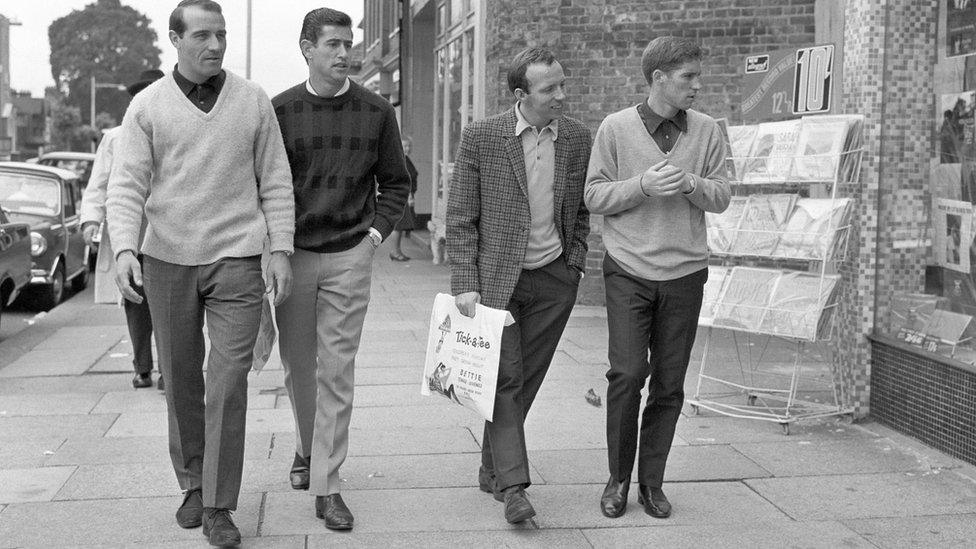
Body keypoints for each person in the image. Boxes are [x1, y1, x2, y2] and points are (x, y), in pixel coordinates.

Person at [106, 1, 295, 546]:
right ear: (175, 39)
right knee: (182, 381)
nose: (215, 45)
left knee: (228, 381)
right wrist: (124, 251)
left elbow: (276, 181)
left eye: (222, 35)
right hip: (166, 259)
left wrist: (279, 249)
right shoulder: (147, 108)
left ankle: (217, 504)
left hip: (237, 257)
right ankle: (192, 482)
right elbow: (126, 187)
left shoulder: (252, 100)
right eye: (203, 35)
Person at [271, 7, 410, 531]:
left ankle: (328, 485)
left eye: (347, 43)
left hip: (350, 255)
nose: (344, 53)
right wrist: (275, 248)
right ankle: (308, 446)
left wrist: (374, 238)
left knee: (336, 370)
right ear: (306, 48)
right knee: (298, 367)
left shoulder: (376, 111)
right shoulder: (279, 110)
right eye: (331, 44)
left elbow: (397, 182)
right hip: (295, 256)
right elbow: (265, 185)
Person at [584, 36, 731, 520]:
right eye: (688, 77)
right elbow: (594, 196)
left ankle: (652, 483)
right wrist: (642, 186)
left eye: (697, 76)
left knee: (669, 384)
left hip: (686, 271)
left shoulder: (708, 130)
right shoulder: (615, 128)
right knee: (627, 374)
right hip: (628, 268)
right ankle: (618, 478)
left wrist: (691, 184)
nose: (697, 85)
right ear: (658, 79)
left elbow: (722, 196)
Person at [446, 47, 591, 524]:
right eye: (550, 89)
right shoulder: (482, 137)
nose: (561, 96)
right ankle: (514, 488)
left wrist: (576, 265)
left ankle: (492, 467)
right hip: (496, 281)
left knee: (526, 379)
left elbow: (582, 209)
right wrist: (465, 281)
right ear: (520, 94)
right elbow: (462, 216)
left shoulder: (575, 137)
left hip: (554, 278)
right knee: (504, 378)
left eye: (562, 85)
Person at [80, 68, 163, 391]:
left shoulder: (177, 129)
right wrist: (90, 220)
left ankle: (169, 370)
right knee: (136, 303)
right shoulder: (115, 138)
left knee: (173, 305)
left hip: (170, 233)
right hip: (131, 235)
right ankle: (143, 367)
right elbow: (98, 185)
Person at [389, 136, 419, 261]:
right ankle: (394, 252)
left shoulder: (405, 159)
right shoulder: (399, 160)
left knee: (400, 225)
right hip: (401, 197)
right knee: (398, 225)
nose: (407, 148)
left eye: (409, 146)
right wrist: (408, 195)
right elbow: (401, 179)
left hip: (404, 196)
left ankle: (397, 251)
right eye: (404, 146)